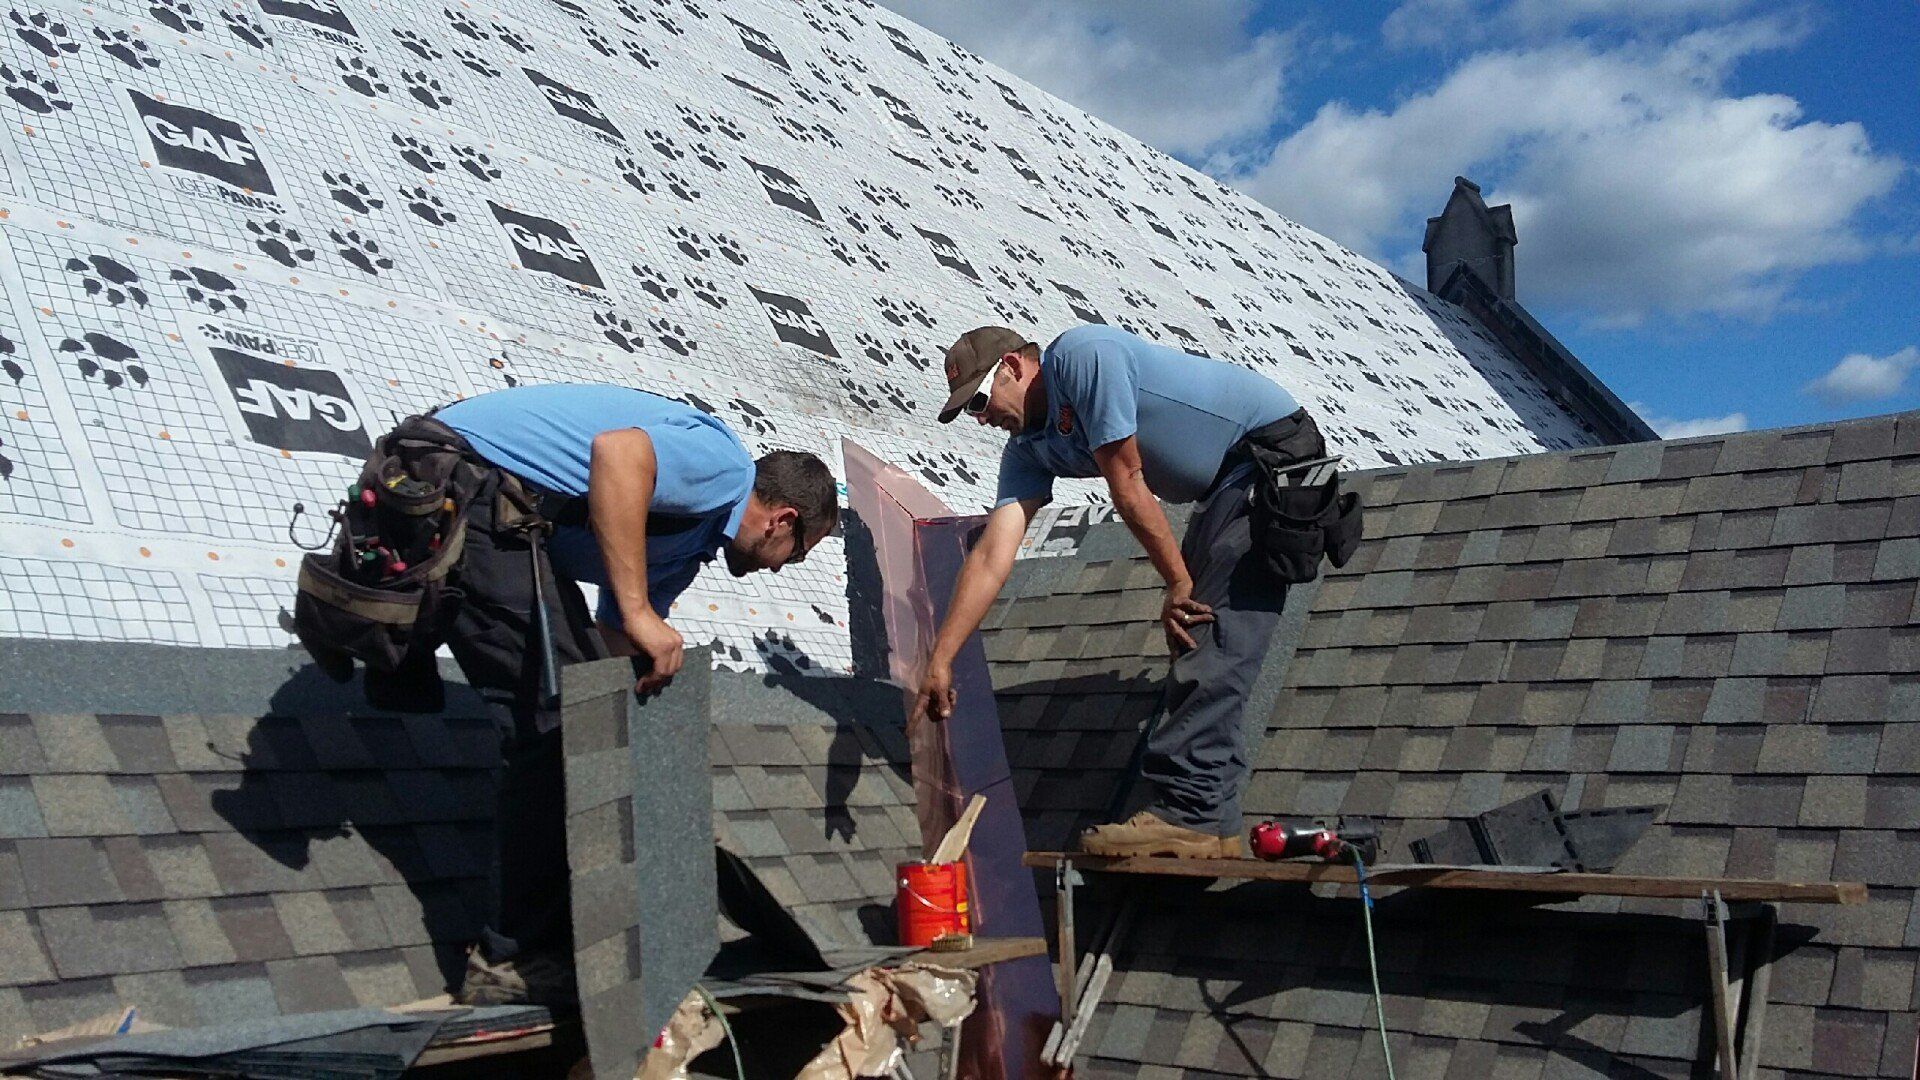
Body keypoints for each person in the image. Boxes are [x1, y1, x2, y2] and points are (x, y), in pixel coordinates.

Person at [414, 384, 835, 1004]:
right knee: (559, 726)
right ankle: (513, 961)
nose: (779, 570)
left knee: (586, 716)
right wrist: (638, 611)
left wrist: (656, 754)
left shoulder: (683, 551)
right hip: (461, 479)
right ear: (783, 521)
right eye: (794, 557)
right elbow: (618, 455)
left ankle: (557, 934)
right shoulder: (724, 467)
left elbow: (615, 646)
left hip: (490, 514)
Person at [913, 324, 1323, 859]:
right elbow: (993, 555)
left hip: (1268, 459)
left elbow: (1126, 480)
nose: (983, 418)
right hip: (1224, 488)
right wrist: (941, 657)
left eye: (982, 400)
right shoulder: (1029, 451)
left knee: (1207, 625)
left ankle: (1190, 815)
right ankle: (1211, 818)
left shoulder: (1082, 358)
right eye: (971, 411)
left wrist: (1177, 583)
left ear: (1014, 366)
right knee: (1197, 634)